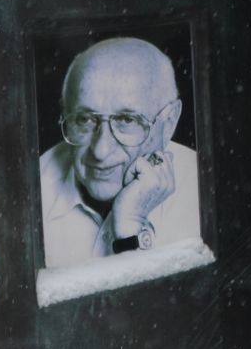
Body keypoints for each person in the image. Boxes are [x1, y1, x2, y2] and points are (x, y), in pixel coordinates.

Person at [40, 36, 201, 269]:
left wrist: (131, 226)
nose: (101, 150)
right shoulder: (29, 190)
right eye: (85, 119)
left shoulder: (207, 193)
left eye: (127, 120)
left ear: (170, 121)